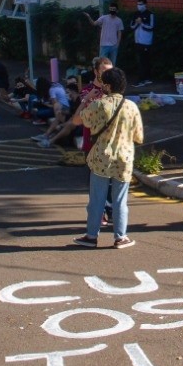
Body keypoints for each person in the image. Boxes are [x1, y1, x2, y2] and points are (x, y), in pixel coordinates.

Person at [70, 68, 143, 249]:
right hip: (124, 158)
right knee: (120, 200)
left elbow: (77, 121)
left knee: (97, 200)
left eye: (103, 84)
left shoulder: (100, 105)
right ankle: (121, 237)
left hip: (101, 158)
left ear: (108, 86)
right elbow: (139, 137)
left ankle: (91, 236)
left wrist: (87, 99)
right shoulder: (131, 106)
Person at [129, 0, 155, 86]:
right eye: (138, 4)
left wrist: (142, 22)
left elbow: (151, 27)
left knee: (145, 60)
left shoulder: (150, 14)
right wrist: (137, 23)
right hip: (138, 40)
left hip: (146, 41)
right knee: (140, 60)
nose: (139, 6)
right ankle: (142, 79)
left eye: (141, 4)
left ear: (145, 5)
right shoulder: (135, 14)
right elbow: (132, 26)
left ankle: (145, 79)